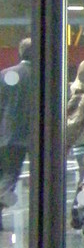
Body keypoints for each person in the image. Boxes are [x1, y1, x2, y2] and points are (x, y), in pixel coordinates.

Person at [0, 37, 33, 225]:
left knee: (5, 174)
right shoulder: (39, 76)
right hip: (27, 136)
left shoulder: (5, 74)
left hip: (5, 134)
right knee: (10, 176)